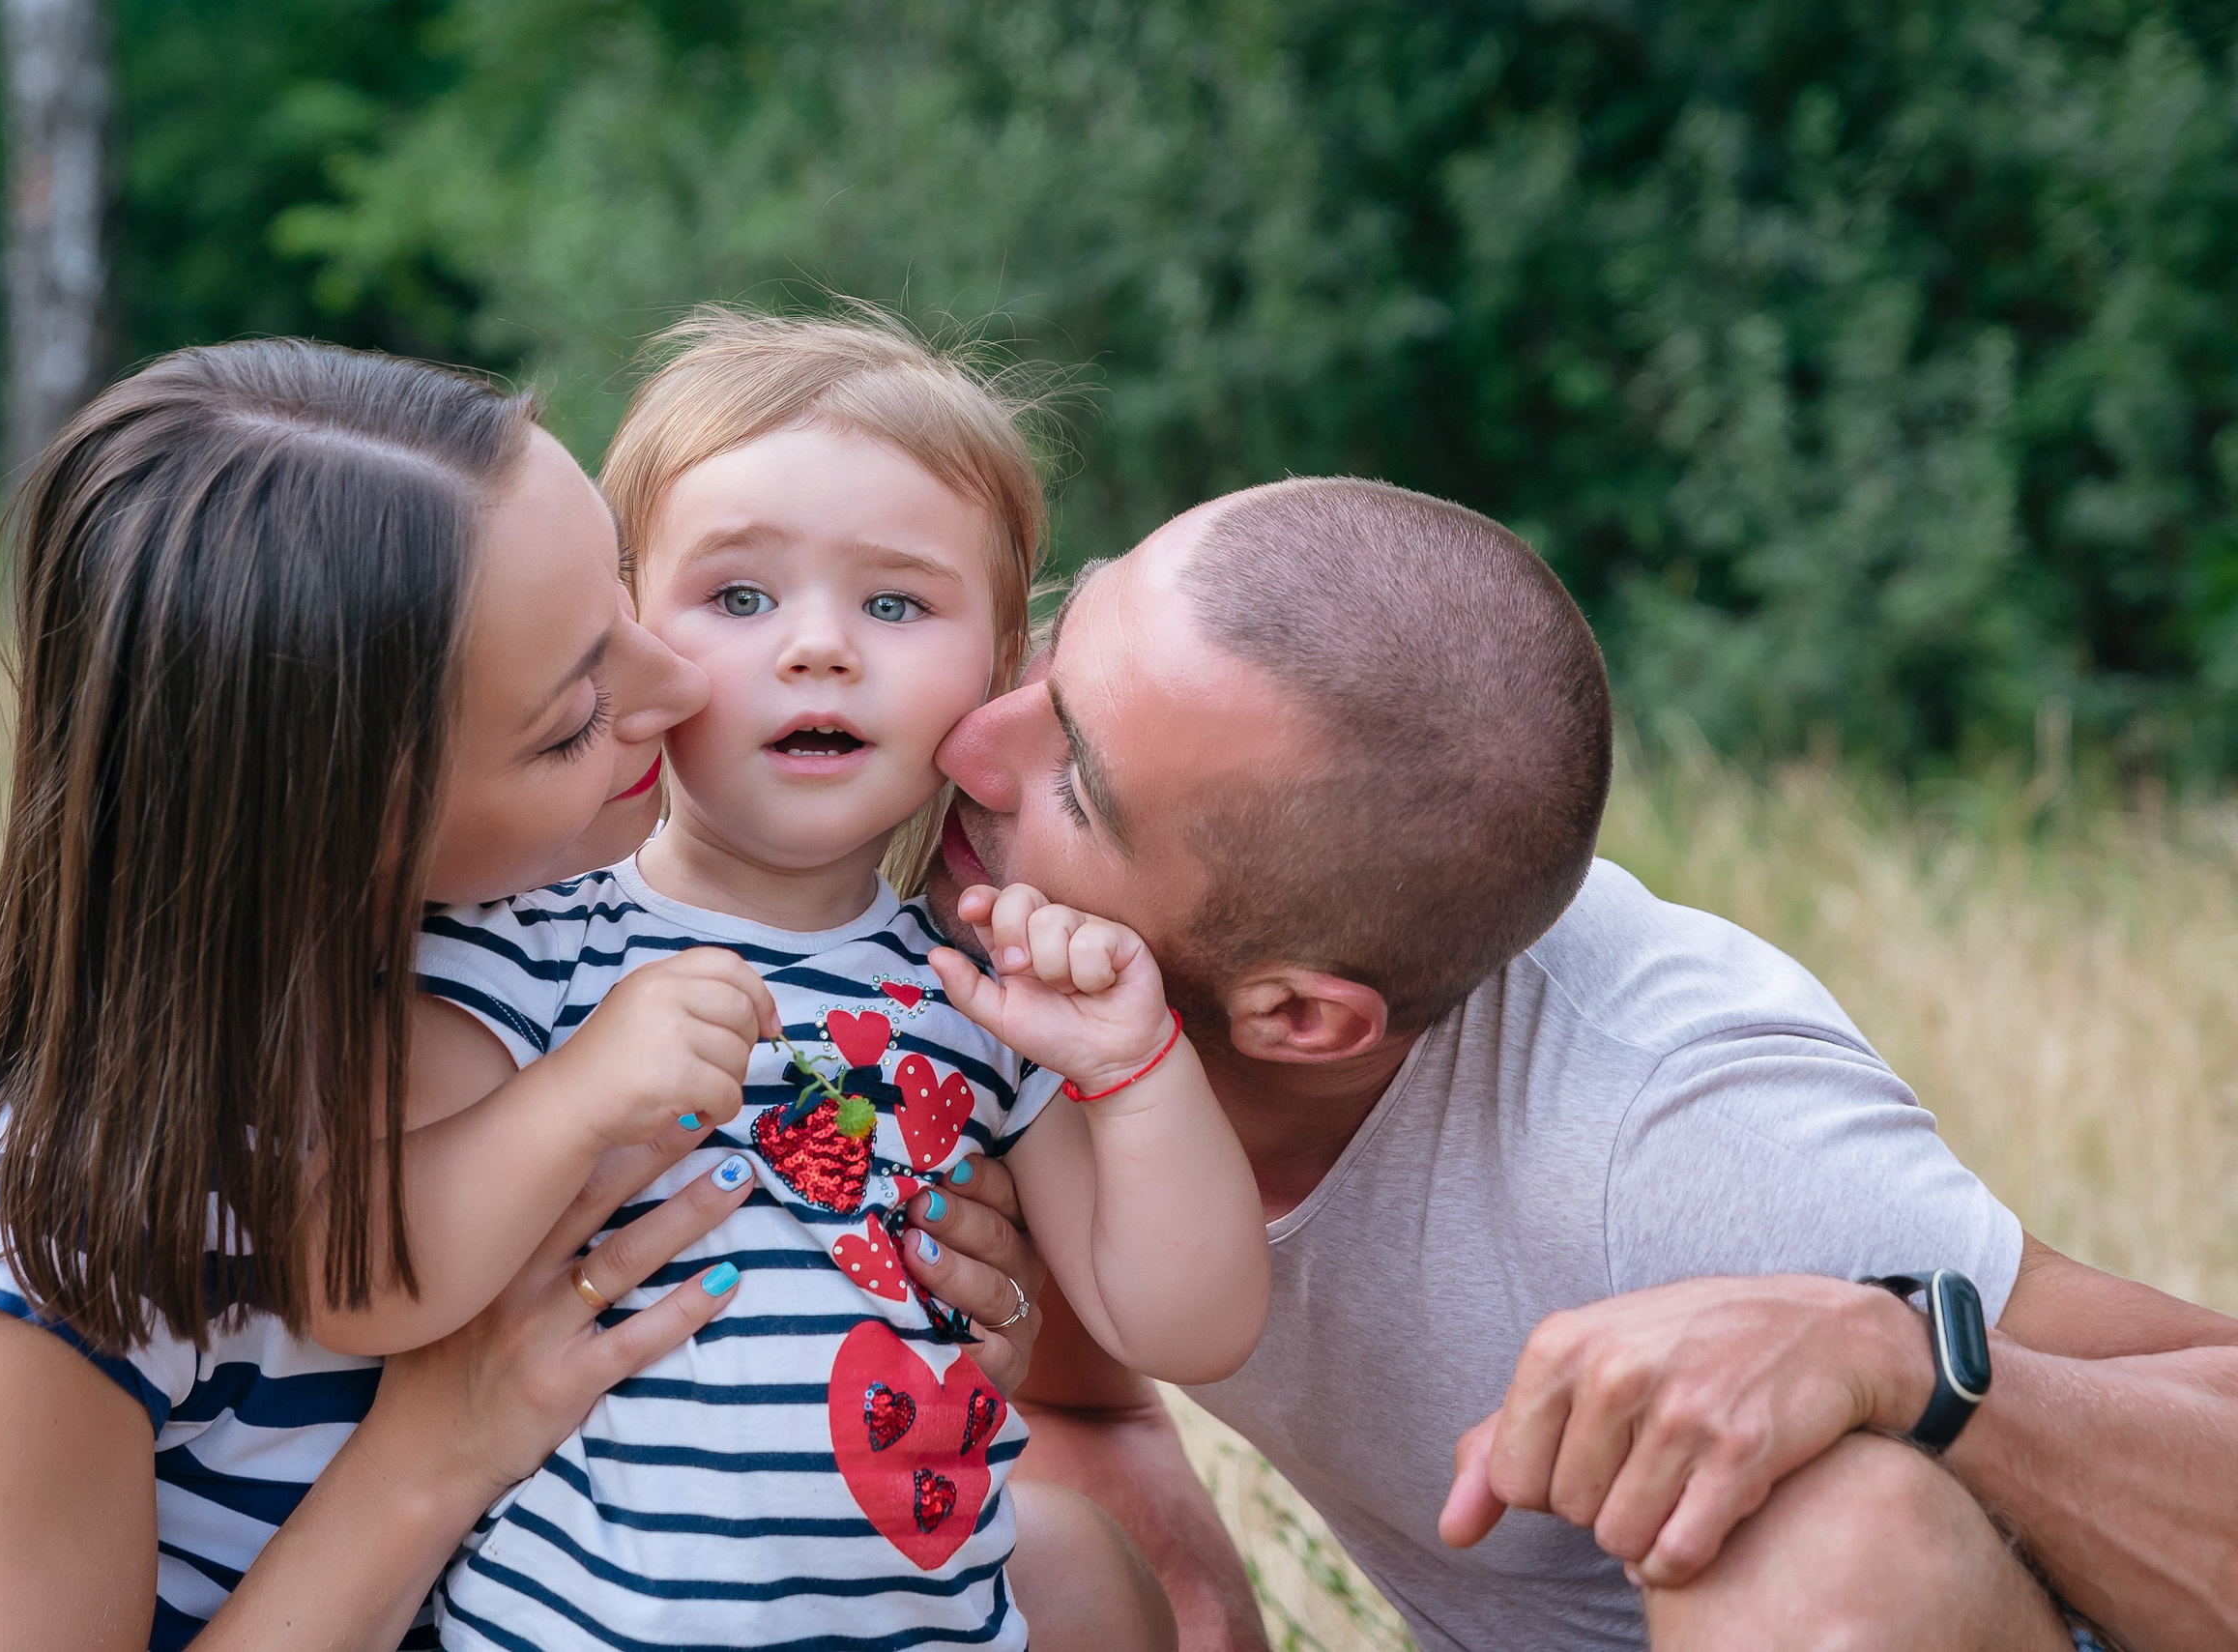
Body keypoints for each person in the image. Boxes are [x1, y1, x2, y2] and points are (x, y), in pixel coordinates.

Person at [0, 339, 1097, 1652]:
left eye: (626, 608)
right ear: (347, 827)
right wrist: (439, 1449)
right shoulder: (46, 1243)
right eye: (573, 717)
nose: (677, 691)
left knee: (1071, 1568)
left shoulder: (544, 981)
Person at [899, 476, 2238, 1651]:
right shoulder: (1017, 985)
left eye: (1075, 775)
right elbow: (1084, 1402)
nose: (970, 742)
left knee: (1833, 1538)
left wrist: (1898, 1349)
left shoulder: (1676, 1134)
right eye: (1056, 656)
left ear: (1301, 1018)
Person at [326, 309, 1264, 1652]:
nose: (820, 646)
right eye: (741, 597)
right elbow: (365, 1281)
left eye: (895, 602)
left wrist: (1133, 1067)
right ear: (630, 642)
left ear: (996, 668)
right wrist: (583, 1088)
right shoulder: (526, 943)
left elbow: (1190, 1321)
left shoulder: (982, 991)